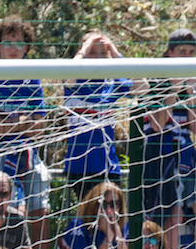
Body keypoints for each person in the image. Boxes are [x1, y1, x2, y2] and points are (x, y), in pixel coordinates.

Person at [0, 16, 53, 249]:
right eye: (8, 43)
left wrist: (12, 120)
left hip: (28, 152)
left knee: (40, 209)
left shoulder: (32, 78)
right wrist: (24, 121)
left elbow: (41, 128)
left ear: (27, 47)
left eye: (19, 43)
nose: (14, 48)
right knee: (3, 212)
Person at [141, 28, 196, 249]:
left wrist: (189, 91)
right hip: (161, 153)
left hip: (187, 154)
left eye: (192, 52)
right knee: (173, 215)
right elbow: (158, 124)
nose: (188, 57)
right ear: (169, 52)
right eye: (182, 52)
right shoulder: (154, 79)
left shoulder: (194, 84)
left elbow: (195, 128)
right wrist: (172, 88)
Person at [62, 30, 147, 201]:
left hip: (109, 167)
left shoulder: (112, 82)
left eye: (103, 53)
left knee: (113, 220)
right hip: (80, 167)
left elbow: (143, 87)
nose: (97, 57)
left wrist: (115, 53)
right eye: (92, 52)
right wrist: (85, 47)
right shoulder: (74, 81)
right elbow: (67, 75)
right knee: (89, 221)